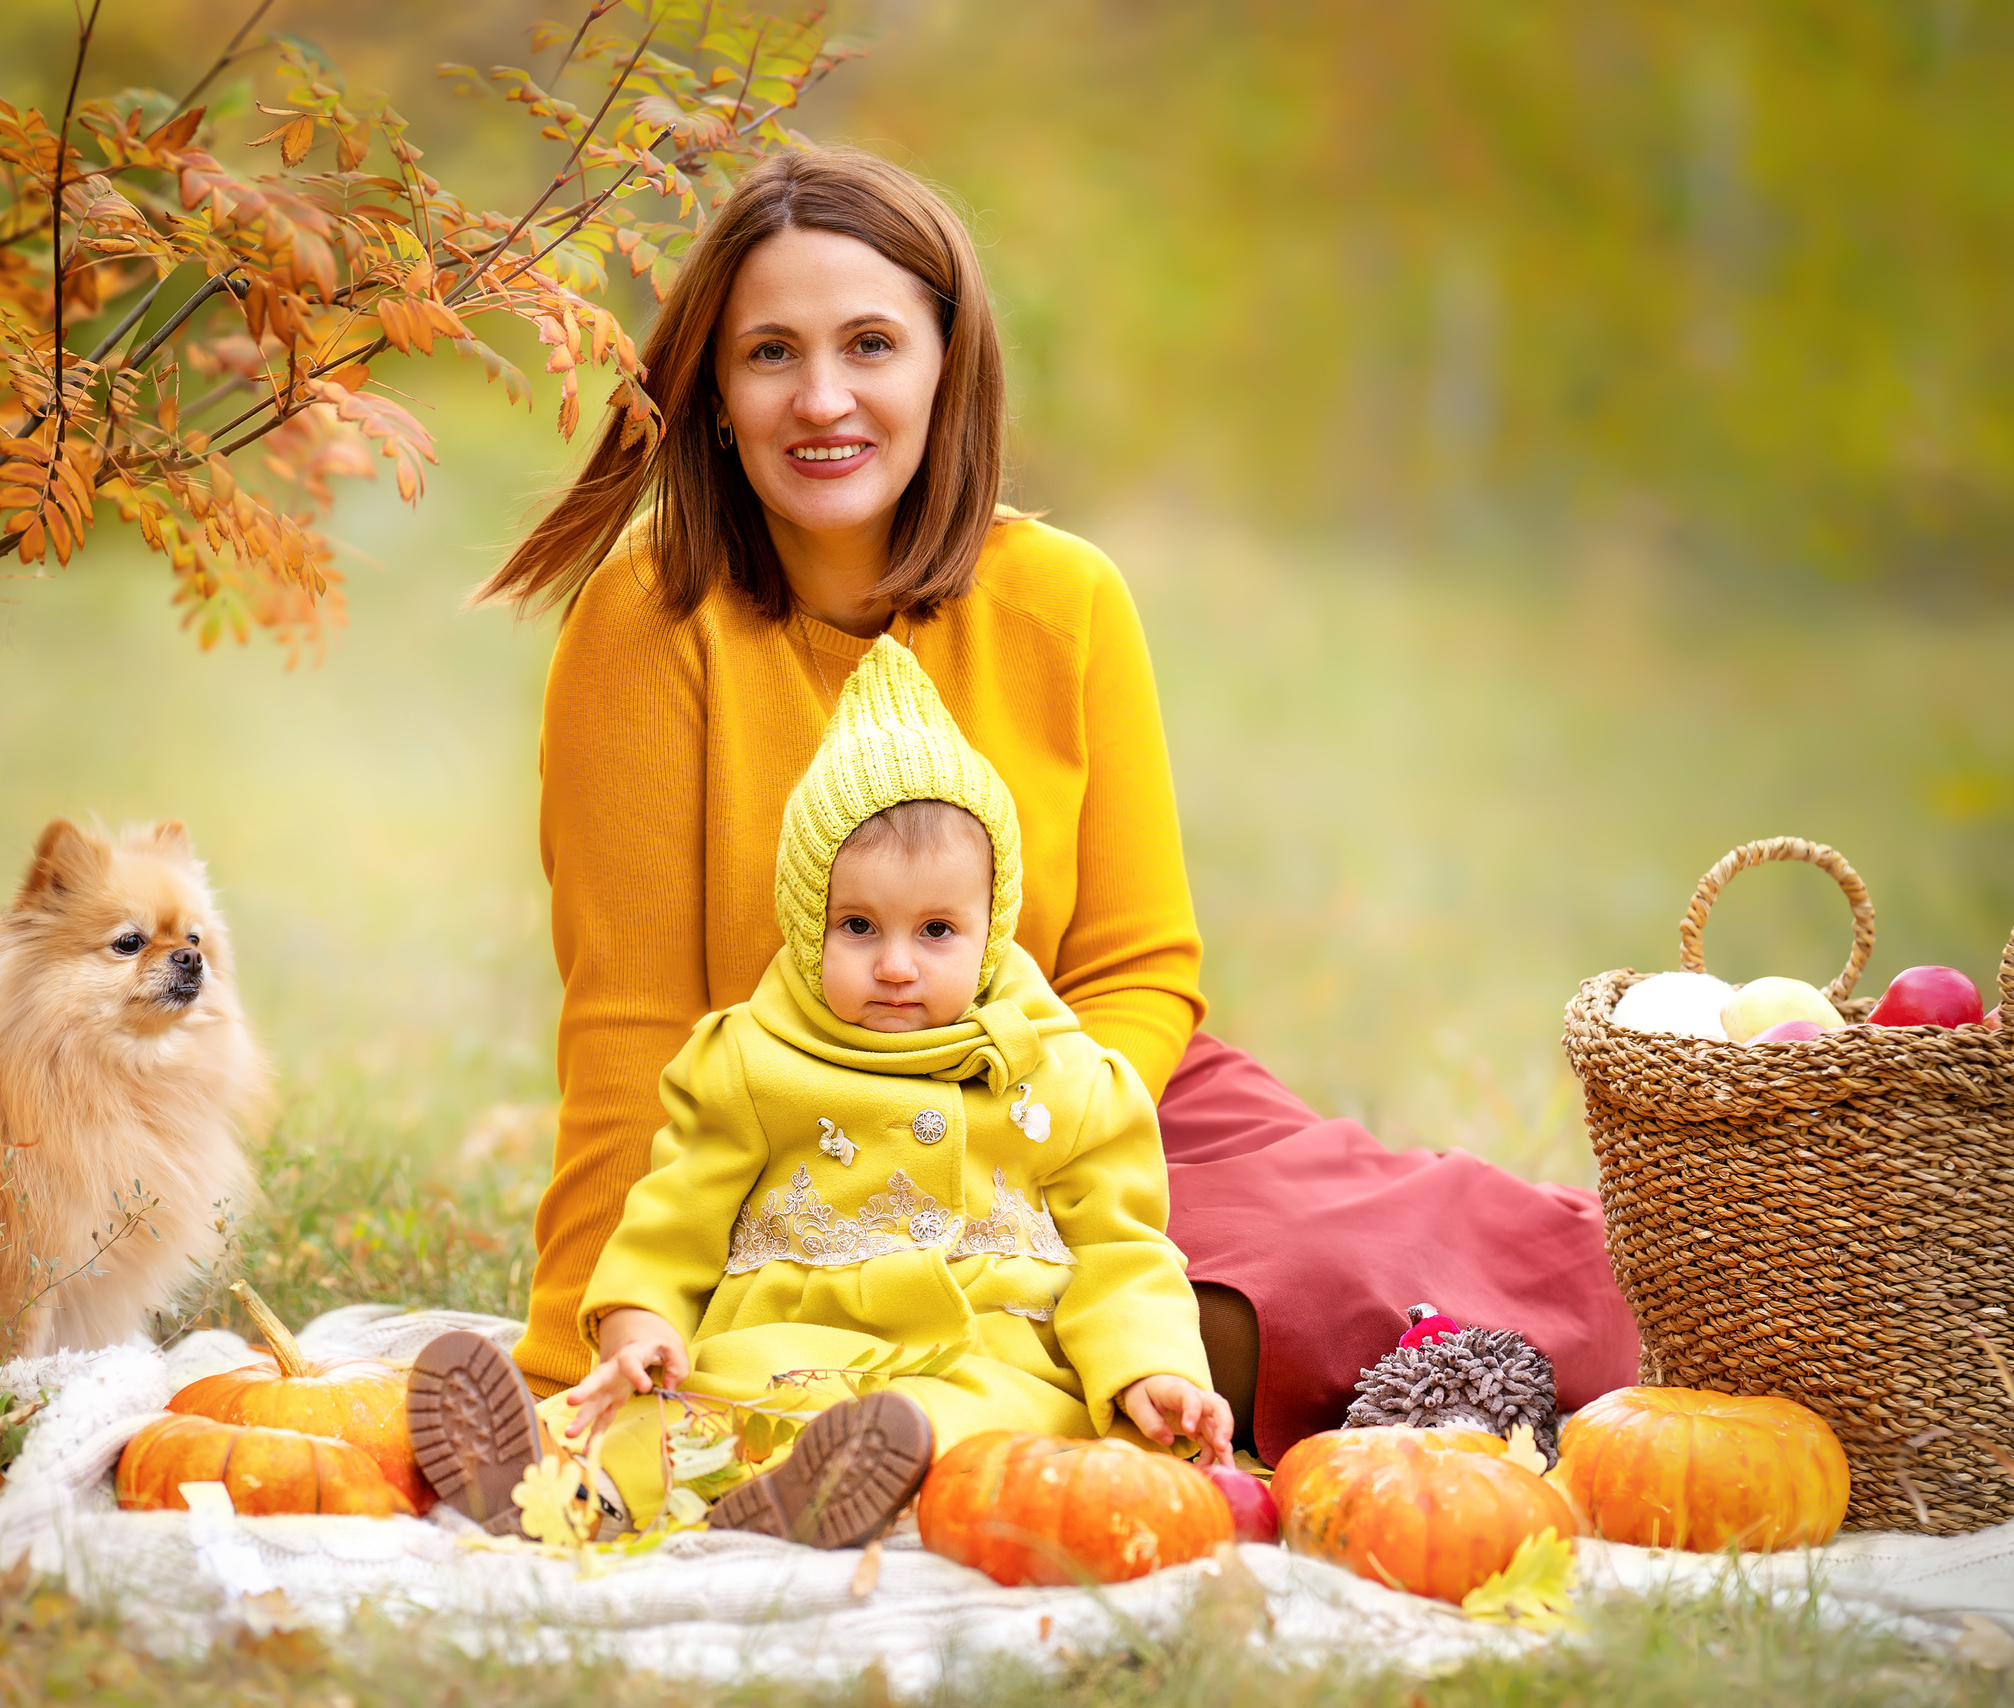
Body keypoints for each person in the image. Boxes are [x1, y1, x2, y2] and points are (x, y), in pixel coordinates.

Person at [475, 146, 1639, 1471]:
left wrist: (1031, 1141)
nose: (823, 398)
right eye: (770, 354)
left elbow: (1141, 972)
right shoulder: (654, 620)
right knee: (1091, 1324)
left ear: (945, 364)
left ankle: (1088, 1366)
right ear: (716, 392)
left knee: (1456, 1255)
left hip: (1089, 1107)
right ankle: (930, 1413)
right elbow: (628, 1028)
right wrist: (574, 1356)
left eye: (869, 344)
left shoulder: (1066, 600)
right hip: (811, 1150)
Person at [404, 638, 1228, 1543]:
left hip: (981, 1352)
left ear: (993, 931)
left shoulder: (1058, 1073)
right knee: (701, 1407)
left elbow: (1122, 1246)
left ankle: (837, 1485)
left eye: (939, 930)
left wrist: (1152, 1369)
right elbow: (673, 1222)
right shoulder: (755, 1059)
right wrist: (637, 1328)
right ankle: (550, 1480)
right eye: (859, 926)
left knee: (979, 1428)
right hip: (794, 1346)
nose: (897, 966)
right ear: (808, 922)